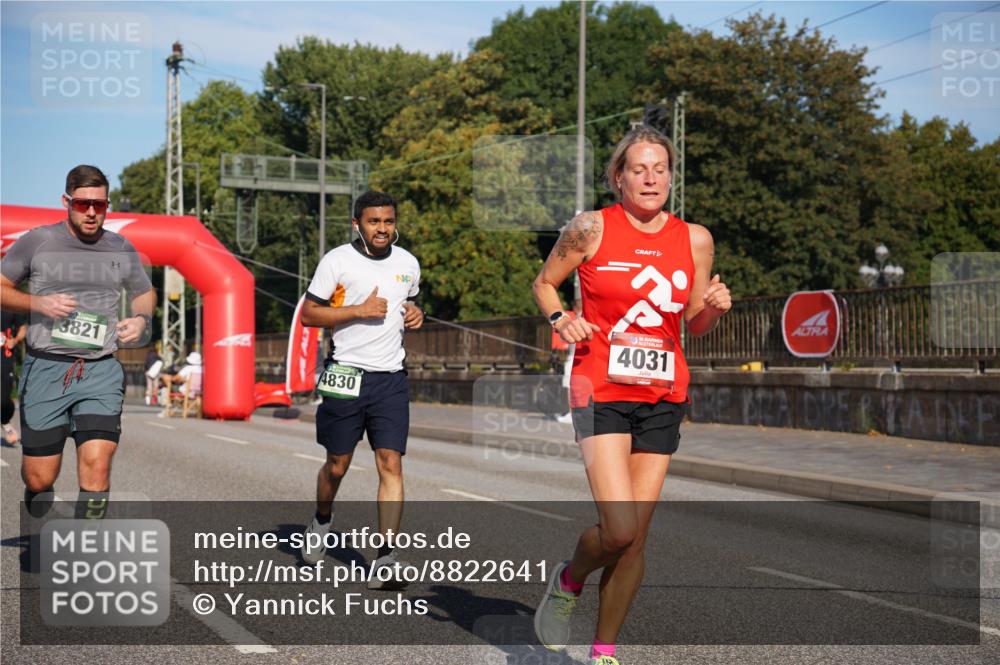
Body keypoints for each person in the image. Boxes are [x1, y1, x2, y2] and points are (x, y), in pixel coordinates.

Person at [531, 127, 732, 665]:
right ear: (618, 177)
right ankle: (570, 580)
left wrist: (713, 304)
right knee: (618, 527)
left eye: (660, 169)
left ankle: (603, 652)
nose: (650, 178)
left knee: (636, 538)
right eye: (638, 169)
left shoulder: (695, 239)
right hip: (599, 387)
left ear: (671, 176)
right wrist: (561, 317)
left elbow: (694, 321)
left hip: (663, 392)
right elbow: (544, 283)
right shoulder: (591, 228)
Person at [0, 164, 155, 519]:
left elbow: (144, 292)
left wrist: (141, 318)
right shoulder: (37, 242)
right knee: (39, 480)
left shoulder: (120, 246)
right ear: (66, 201)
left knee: (97, 467)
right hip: (46, 369)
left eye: (99, 205)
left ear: (107, 205)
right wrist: (37, 303)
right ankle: (39, 491)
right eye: (83, 203)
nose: (91, 212)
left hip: (100, 370)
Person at [298, 190, 423, 589]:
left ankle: (385, 556)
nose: (382, 228)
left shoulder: (408, 263)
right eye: (374, 222)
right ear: (357, 224)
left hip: (390, 378)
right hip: (345, 374)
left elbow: (413, 304)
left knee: (391, 463)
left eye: (388, 221)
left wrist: (418, 313)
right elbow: (309, 314)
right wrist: (358, 310)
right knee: (338, 465)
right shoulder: (337, 260)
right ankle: (321, 519)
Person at [1, 308, 28, 445]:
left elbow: (22, 327)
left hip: (4, 357)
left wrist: (16, 340)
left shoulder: (8, 304)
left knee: (4, 399)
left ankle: (5, 421)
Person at [157, 351, 202, 416]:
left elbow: (175, 378)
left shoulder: (188, 368)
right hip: (199, 391)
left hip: (186, 391)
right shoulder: (202, 369)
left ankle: (172, 402)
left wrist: (176, 378)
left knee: (166, 378)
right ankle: (179, 402)